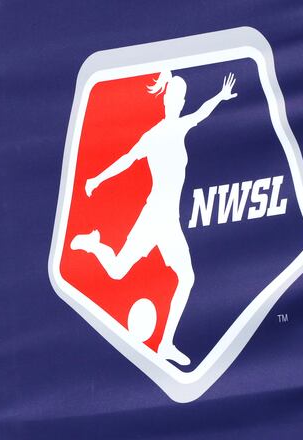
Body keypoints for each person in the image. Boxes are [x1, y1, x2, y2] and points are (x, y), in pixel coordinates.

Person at [70, 71, 237, 366]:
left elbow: (200, 114)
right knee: (119, 272)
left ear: (181, 101)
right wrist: (96, 179)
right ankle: (94, 244)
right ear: (166, 101)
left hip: (168, 220)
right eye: (171, 97)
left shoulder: (178, 127)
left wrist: (220, 98)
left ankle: (165, 344)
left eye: (179, 97)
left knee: (186, 277)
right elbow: (126, 160)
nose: (175, 102)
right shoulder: (157, 134)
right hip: (153, 215)